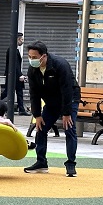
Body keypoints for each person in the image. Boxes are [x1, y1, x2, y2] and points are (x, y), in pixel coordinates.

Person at [23, 40, 80, 177]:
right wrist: (37, 115)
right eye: (29, 57)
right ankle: (41, 162)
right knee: (41, 128)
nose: (31, 60)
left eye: (34, 57)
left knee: (69, 129)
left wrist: (66, 113)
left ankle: (71, 164)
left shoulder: (60, 65)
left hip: (69, 99)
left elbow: (67, 90)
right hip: (51, 102)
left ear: (44, 56)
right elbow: (34, 94)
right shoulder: (32, 70)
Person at [1, 32, 28, 114]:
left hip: (15, 75)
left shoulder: (14, 50)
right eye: (21, 39)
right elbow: (14, 65)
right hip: (13, 76)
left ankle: (21, 109)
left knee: (19, 92)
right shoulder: (12, 50)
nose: (22, 41)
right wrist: (20, 75)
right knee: (8, 92)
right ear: (18, 39)